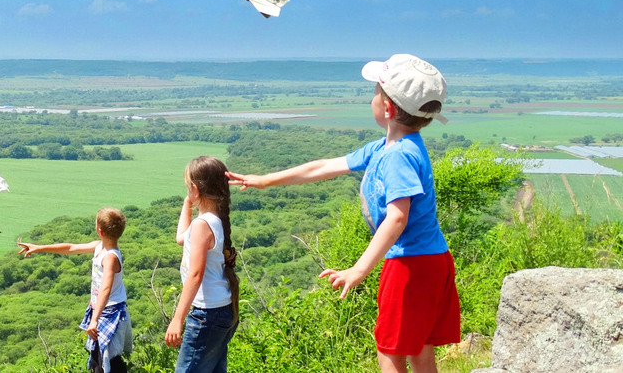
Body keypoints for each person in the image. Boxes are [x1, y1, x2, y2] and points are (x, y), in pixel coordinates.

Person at [226, 54, 460, 373]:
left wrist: (358, 270)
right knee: (419, 346)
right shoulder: (388, 147)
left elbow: (397, 217)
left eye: (376, 92)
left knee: (389, 350)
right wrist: (264, 180)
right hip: (431, 259)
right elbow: (324, 166)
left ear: (388, 108)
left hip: (411, 263)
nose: (371, 98)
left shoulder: (398, 157)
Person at [18, 207, 133, 373]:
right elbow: (71, 248)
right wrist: (39, 247)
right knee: (99, 361)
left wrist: (95, 319)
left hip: (109, 313)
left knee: (107, 363)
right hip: (102, 311)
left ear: (99, 231)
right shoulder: (100, 247)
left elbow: (106, 289)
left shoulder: (110, 257)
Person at [164, 155, 241, 373]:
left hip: (206, 315)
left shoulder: (201, 226)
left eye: (188, 188)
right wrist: (188, 202)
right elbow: (181, 238)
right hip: (223, 310)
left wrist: (177, 319)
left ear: (196, 189)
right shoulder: (214, 220)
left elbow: (195, 274)